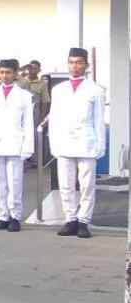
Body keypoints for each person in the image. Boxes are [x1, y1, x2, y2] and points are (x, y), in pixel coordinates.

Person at [48, 47, 105, 239]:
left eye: (79, 62)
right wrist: (53, 143)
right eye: (71, 62)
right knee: (65, 184)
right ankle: (70, 219)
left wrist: (101, 145)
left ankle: (84, 221)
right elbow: (54, 118)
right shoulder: (59, 89)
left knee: (87, 185)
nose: (74, 66)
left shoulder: (95, 90)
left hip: (87, 141)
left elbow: (98, 120)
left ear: (86, 65)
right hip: (64, 141)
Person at [0, 59, 34, 232]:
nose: (4, 76)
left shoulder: (24, 96)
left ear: (16, 73)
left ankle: (15, 216)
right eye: (2, 72)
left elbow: (28, 124)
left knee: (15, 182)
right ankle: (2, 216)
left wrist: (28, 147)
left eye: (8, 72)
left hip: (15, 143)